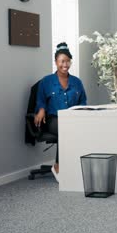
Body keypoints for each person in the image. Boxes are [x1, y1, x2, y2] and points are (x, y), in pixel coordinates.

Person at [34, 42, 87, 182]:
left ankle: (75, 165)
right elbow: (40, 100)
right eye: (62, 61)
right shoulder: (46, 81)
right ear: (56, 62)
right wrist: (40, 110)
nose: (65, 64)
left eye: (68, 61)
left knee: (79, 129)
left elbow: (83, 102)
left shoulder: (77, 82)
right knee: (66, 130)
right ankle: (58, 165)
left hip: (73, 119)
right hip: (52, 120)